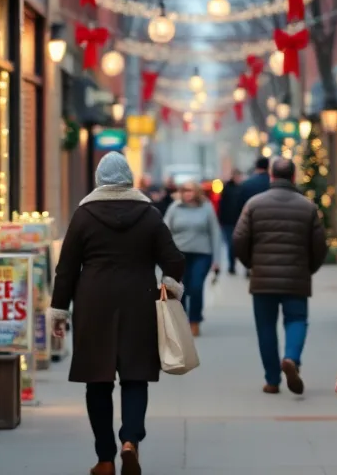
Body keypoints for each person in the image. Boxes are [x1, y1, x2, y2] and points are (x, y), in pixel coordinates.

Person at [51, 152, 186, 475]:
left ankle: (105, 459)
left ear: (99, 179)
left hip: (93, 304)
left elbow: (66, 268)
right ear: (129, 179)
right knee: (135, 377)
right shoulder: (149, 215)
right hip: (139, 301)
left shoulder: (84, 215)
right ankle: (130, 441)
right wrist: (168, 286)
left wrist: (59, 311)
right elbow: (175, 260)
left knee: (97, 382)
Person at [231, 157, 327, 395]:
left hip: (262, 278)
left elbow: (239, 240)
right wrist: (309, 269)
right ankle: (291, 357)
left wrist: (251, 264)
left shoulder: (254, 204)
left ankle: (272, 380)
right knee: (296, 320)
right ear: (294, 177)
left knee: (266, 327)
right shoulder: (308, 207)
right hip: (296, 276)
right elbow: (320, 245)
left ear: (271, 176)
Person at [163, 181, 224, 336]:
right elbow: (164, 231)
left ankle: (195, 320)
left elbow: (215, 233)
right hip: (179, 254)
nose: (187, 194)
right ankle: (182, 320)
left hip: (202, 253)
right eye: (184, 191)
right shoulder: (175, 208)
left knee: (196, 286)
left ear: (196, 192)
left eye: (190, 191)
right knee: (181, 288)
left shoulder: (206, 207)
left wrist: (217, 260)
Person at [216, 169, 245, 274]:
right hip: (228, 221)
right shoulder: (227, 188)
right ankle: (231, 265)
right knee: (230, 245)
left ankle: (241, 266)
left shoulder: (243, 188)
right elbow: (222, 205)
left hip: (239, 221)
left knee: (239, 244)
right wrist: (221, 219)